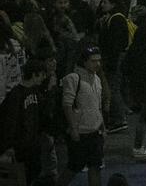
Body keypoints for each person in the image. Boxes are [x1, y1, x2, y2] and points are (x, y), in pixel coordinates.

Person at [61, 46, 107, 186]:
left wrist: (103, 127)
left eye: (99, 61)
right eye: (93, 61)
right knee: (74, 167)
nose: (97, 64)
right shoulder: (73, 78)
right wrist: (73, 128)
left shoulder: (97, 79)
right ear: (84, 61)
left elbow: (97, 106)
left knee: (95, 167)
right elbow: (67, 104)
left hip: (95, 131)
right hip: (80, 133)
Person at [0, 58, 50, 184]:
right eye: (42, 74)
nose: (44, 77)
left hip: (30, 144)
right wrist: (8, 146)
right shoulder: (16, 95)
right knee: (23, 177)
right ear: (34, 74)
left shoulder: (32, 91)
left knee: (31, 174)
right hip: (21, 146)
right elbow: (9, 122)